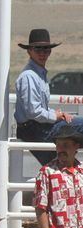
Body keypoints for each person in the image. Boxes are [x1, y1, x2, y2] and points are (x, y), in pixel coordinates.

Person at [15, 28, 83, 165]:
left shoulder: (36, 74)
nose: (42, 53)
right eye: (38, 49)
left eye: (46, 50)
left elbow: (35, 110)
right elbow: (34, 111)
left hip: (36, 127)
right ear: (29, 51)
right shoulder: (30, 76)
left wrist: (57, 115)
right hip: (36, 129)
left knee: (56, 166)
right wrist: (55, 116)